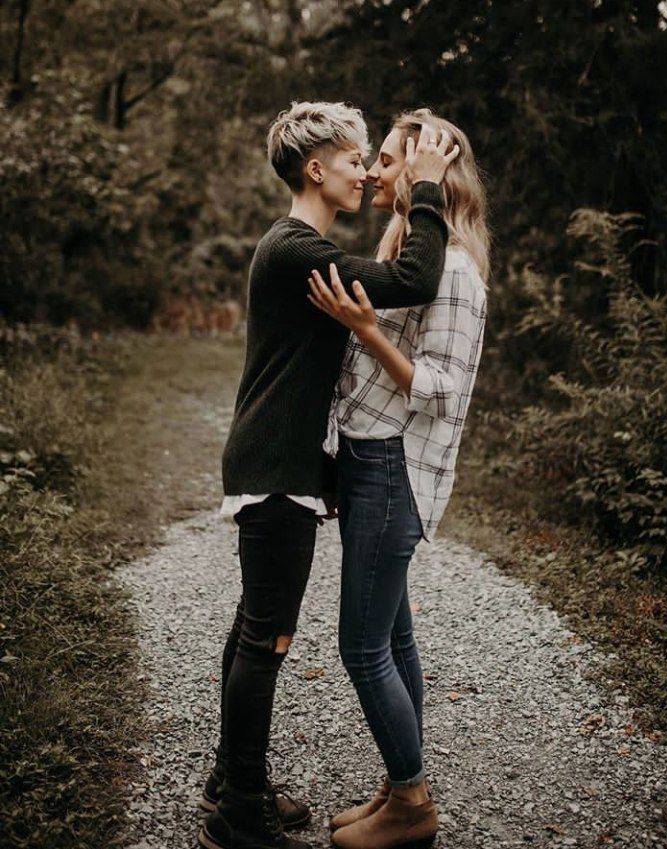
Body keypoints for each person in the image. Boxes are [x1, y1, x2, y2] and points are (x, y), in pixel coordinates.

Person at [199, 101, 460, 849]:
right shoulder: (296, 249)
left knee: (254, 626)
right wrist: (429, 188)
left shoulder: (296, 247)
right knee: (267, 637)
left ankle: (233, 779)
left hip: (281, 465)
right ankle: (240, 811)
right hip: (277, 470)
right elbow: (412, 276)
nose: (362, 170)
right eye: (355, 159)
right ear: (316, 168)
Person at [305, 108, 489, 849]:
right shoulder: (409, 251)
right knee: (396, 638)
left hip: (394, 467)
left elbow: (446, 385)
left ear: (428, 175)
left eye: (389, 160)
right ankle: (397, 783)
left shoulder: (457, 270)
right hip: (367, 456)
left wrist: (366, 329)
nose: (374, 170)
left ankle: (412, 802)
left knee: (361, 646)